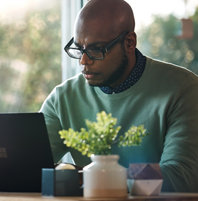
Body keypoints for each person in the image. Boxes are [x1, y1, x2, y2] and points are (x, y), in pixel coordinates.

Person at [40, 0, 198, 192]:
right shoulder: (63, 98)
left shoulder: (183, 88)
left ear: (129, 42)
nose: (83, 61)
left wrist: (99, 176)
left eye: (96, 49)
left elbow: (179, 176)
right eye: (79, 48)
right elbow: (30, 165)